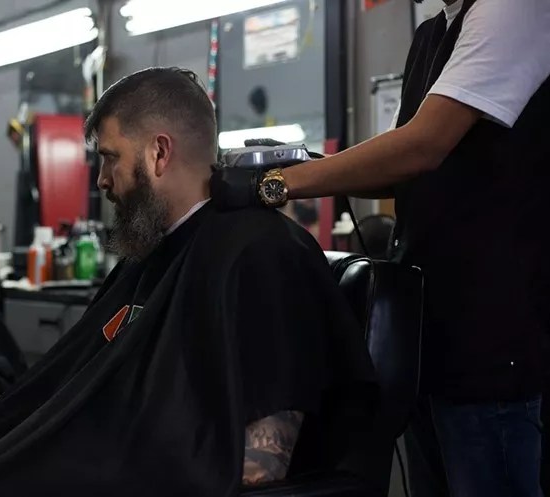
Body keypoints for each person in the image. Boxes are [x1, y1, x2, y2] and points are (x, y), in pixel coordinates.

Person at [0, 68, 375, 497]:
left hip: (129, 477)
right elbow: (82, 387)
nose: (101, 180)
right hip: (91, 456)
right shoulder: (150, 256)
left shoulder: (260, 253)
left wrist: (87, 458)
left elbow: (263, 466)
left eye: (109, 158)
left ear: (159, 152)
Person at [211, 1, 550, 497]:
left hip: (495, 344)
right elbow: (396, 166)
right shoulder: (433, 34)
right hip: (433, 342)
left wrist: (278, 184)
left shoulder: (513, 8)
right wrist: (300, 165)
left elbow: (423, 146)